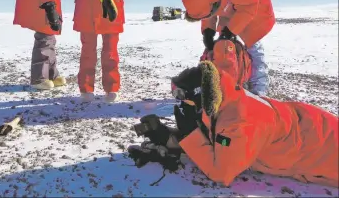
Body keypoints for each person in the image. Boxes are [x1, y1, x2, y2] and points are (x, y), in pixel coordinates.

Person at [128, 61, 339, 188]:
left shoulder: (239, 123)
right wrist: (169, 136)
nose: (178, 100)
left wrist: (188, 133)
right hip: (310, 126)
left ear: (200, 95)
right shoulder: (222, 97)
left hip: (323, 150)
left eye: (182, 95)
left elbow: (222, 172)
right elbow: (216, 140)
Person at [182, 0, 275, 96]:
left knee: (254, 46)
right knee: (224, 48)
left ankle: (260, 87)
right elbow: (208, 13)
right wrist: (208, 31)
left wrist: (230, 31)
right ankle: (226, 81)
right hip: (230, 9)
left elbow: (249, 6)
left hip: (256, 7)